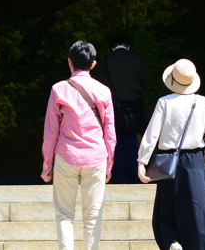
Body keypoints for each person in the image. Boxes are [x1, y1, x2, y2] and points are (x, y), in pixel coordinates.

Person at [137, 59, 205, 250]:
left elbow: (152, 134)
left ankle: (173, 241)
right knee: (198, 209)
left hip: (168, 161)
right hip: (195, 159)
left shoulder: (164, 102)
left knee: (167, 207)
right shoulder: (202, 102)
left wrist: (142, 161)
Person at [42, 41, 117, 250]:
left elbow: (50, 132)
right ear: (93, 64)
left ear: (69, 62)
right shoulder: (103, 91)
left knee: (64, 215)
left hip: (66, 156)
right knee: (93, 217)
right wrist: (109, 164)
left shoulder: (58, 89)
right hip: (96, 158)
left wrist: (47, 165)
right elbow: (110, 133)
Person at [94, 33, 150, 183]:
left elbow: (97, 85)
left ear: (112, 47)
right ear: (128, 46)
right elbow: (145, 82)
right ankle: (135, 175)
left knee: (115, 141)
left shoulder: (105, 61)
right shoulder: (136, 59)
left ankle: (119, 177)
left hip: (112, 107)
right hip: (133, 107)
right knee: (132, 141)